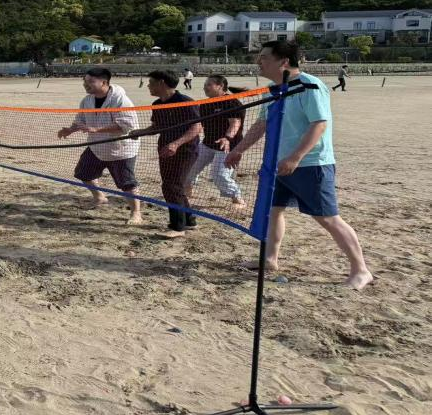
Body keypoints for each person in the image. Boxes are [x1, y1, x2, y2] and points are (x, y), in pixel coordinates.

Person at [226, 41, 372, 289]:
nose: (258, 62)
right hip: (276, 163)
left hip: (311, 163)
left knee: (327, 218)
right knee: (273, 211)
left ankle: (361, 270)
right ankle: (270, 259)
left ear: (284, 62)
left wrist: (296, 157)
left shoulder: (310, 85)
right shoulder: (272, 90)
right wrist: (238, 149)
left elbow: (319, 124)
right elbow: (262, 124)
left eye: (264, 57)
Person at [57, 67, 143, 224]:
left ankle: (136, 213)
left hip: (121, 148)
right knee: (83, 173)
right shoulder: (87, 100)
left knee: (126, 183)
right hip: (96, 146)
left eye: (90, 81)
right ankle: (100, 198)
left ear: (104, 82)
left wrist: (97, 129)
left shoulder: (120, 100)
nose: (86, 84)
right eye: (85, 81)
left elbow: (126, 126)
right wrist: (69, 130)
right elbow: (80, 120)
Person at [131, 70, 202, 237]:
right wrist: (140, 132)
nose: (148, 86)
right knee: (172, 185)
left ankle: (177, 227)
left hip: (185, 150)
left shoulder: (185, 102)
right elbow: (157, 127)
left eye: (151, 82)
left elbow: (196, 128)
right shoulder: (157, 104)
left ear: (161, 83)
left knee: (172, 186)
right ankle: (189, 221)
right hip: (165, 150)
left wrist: (176, 144)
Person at [183, 75, 247, 210]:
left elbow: (235, 123)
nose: (205, 87)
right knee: (189, 166)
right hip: (208, 143)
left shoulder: (232, 102)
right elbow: (199, 125)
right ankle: (187, 190)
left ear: (220, 86)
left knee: (219, 175)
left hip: (228, 145)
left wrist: (227, 138)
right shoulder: (205, 104)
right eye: (205, 85)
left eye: (209, 84)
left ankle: (237, 197)